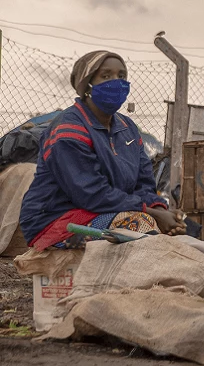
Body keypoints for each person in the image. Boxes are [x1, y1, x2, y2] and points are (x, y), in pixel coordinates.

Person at [20, 51, 184, 250]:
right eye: (106, 76)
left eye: (121, 76)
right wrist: (152, 213)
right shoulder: (68, 130)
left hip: (110, 211)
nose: (116, 82)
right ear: (87, 84)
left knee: (182, 231)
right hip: (56, 219)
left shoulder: (128, 129)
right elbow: (90, 193)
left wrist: (159, 208)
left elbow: (144, 184)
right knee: (140, 225)